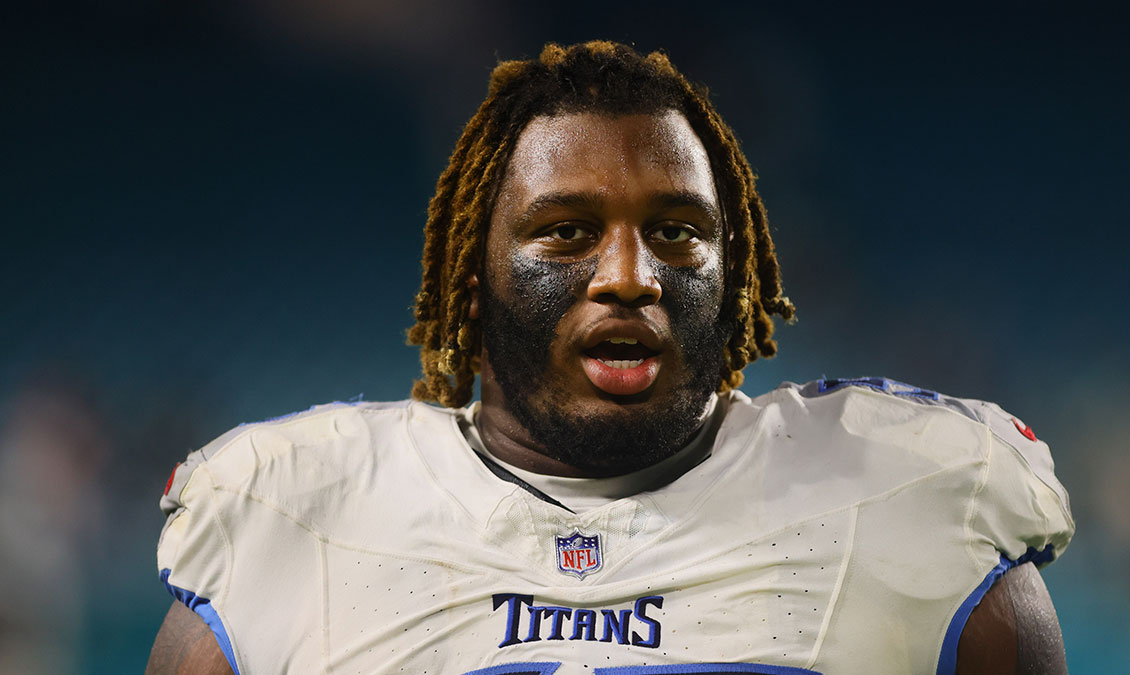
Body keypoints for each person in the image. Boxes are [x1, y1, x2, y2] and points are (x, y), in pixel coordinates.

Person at [147, 41, 1074, 674]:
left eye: (677, 231)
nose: (630, 276)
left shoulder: (917, 495)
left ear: (734, 276)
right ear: (472, 282)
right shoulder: (286, 514)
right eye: (566, 233)